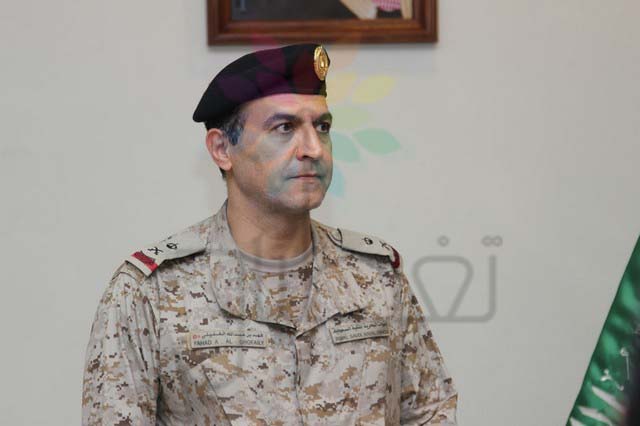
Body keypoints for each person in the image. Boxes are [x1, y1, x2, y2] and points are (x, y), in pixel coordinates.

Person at [82, 43, 457, 425]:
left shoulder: (375, 277)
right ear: (222, 148)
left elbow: (430, 413)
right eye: (284, 128)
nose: (313, 148)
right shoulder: (153, 292)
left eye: (322, 127)